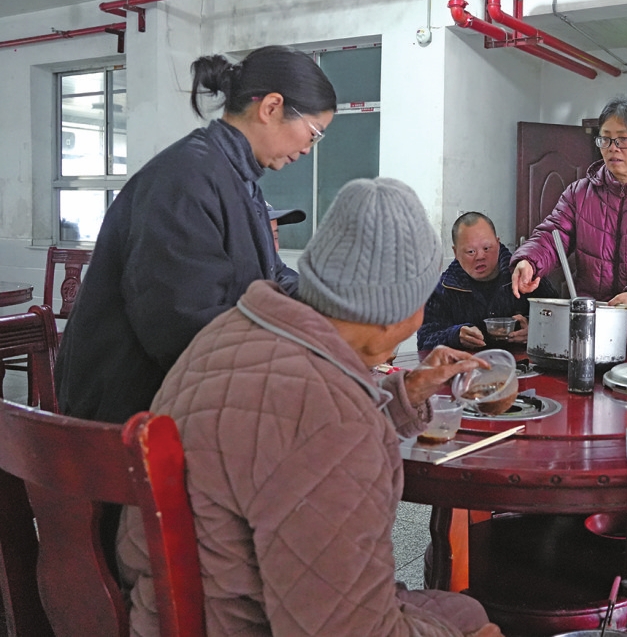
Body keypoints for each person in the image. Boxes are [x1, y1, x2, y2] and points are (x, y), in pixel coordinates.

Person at [118, 177, 503, 637]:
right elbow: (345, 628)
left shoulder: (231, 330)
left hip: (172, 607)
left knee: (462, 611)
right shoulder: (330, 417)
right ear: (399, 313)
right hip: (242, 624)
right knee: (475, 622)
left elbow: (295, 441)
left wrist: (407, 392)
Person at [56, 45, 335, 424]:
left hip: (176, 399)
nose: (307, 150)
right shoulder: (186, 179)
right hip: (126, 413)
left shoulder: (237, 179)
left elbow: (268, 280)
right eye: (313, 134)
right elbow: (182, 323)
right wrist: (293, 361)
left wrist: (333, 306)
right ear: (271, 107)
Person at [510, 97, 627, 358]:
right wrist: (530, 260)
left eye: (623, 139)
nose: (613, 148)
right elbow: (552, 235)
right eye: (605, 139)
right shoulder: (579, 194)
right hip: (593, 331)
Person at [418, 212, 556, 350]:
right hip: (467, 363)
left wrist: (535, 330)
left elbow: (558, 321)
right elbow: (424, 342)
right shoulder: (443, 289)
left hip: (522, 361)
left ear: (497, 242)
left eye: (486, 248)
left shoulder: (525, 275)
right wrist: (453, 336)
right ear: (456, 253)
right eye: (471, 251)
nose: (480, 256)